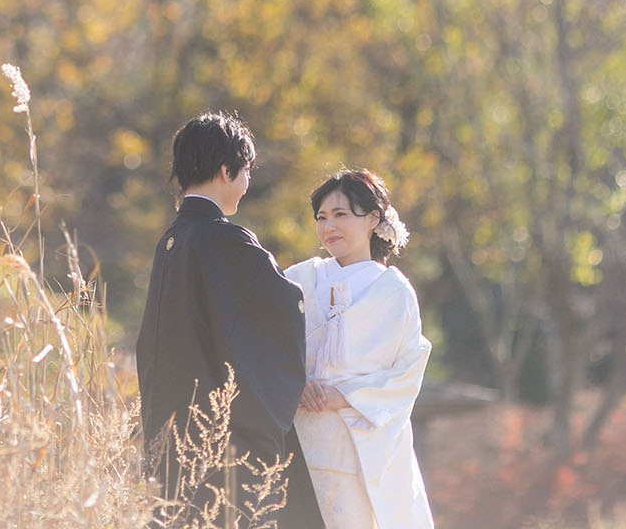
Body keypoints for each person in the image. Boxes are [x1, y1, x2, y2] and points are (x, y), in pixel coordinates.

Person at [136, 113, 311, 527]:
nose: (246, 183)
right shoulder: (225, 240)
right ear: (226, 170)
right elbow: (281, 309)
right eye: (245, 171)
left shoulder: (171, 241)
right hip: (217, 442)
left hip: (175, 433)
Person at [283, 170, 434, 529]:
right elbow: (266, 345)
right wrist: (294, 383)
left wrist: (346, 396)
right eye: (321, 217)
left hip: (361, 445)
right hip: (299, 439)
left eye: (340, 215)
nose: (328, 226)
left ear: (373, 219)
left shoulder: (395, 292)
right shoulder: (298, 279)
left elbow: (407, 371)